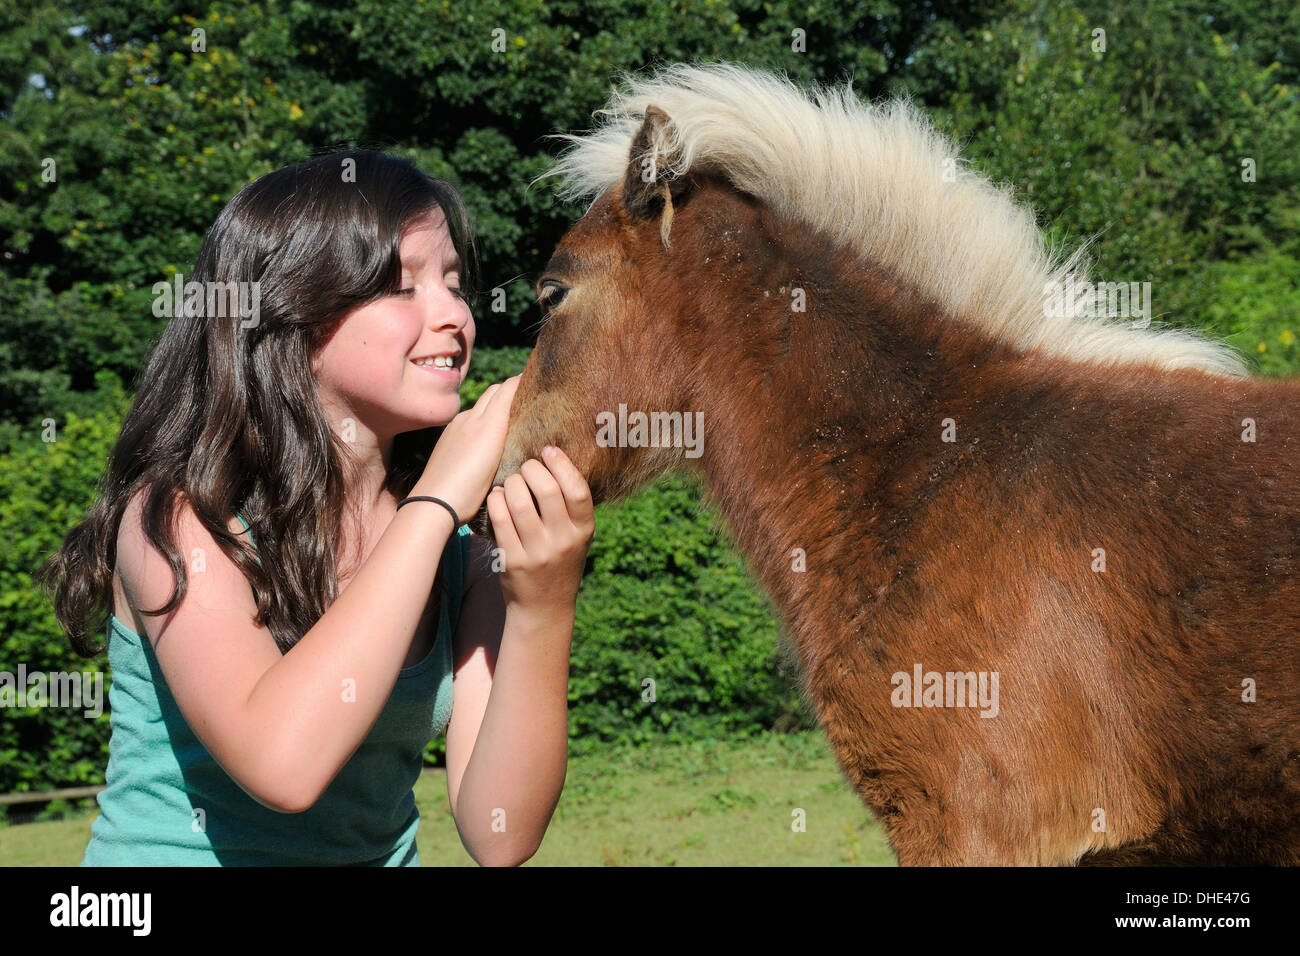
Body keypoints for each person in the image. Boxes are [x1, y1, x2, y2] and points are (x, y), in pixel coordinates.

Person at [36, 148, 594, 866]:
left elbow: (500, 832)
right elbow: (283, 764)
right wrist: (431, 507)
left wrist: (543, 607)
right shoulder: (180, 518)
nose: (455, 315)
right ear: (289, 314)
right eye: (402, 286)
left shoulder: (463, 545)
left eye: (454, 284)